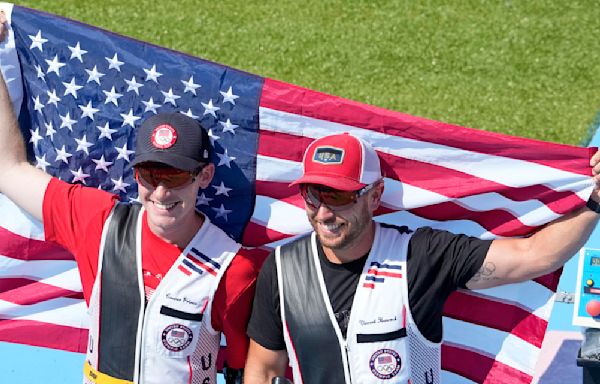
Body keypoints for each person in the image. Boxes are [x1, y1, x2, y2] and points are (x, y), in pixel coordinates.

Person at [0, 12, 262, 383]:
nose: (160, 191)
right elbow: (8, 169)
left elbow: (245, 369)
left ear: (204, 177)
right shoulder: (97, 223)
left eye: (174, 175)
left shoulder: (234, 270)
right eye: (150, 175)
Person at [243, 132, 600, 384]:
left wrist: (596, 198)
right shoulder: (283, 268)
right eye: (311, 195)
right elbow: (263, 370)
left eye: (338, 197)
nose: (323, 213)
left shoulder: (421, 256)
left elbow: (532, 256)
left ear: (374, 196)